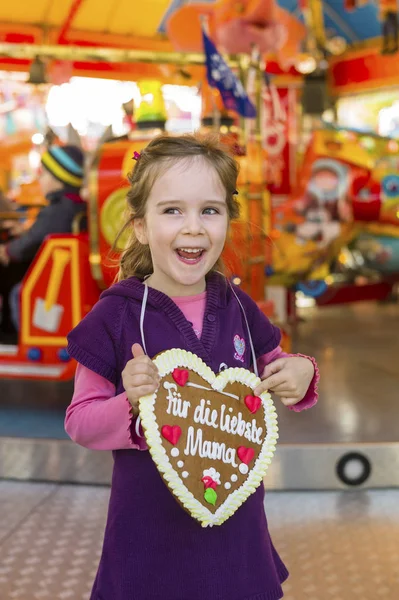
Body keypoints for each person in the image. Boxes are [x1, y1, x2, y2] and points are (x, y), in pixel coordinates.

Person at [65, 134, 319, 600]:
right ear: (140, 225)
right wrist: (132, 404)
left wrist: (300, 370)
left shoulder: (240, 306)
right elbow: (80, 421)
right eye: (172, 210)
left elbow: (277, 366)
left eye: (210, 210)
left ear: (228, 219)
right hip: (148, 541)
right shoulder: (117, 316)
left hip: (236, 534)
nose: (194, 227)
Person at [0, 144, 85, 340]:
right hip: (65, 272)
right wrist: (24, 230)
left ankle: (27, 339)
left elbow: (34, 240)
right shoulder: (72, 204)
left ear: (59, 180)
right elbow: (42, 231)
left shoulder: (58, 208)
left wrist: (8, 251)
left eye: (44, 174)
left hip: (54, 277)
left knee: (18, 294)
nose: (40, 179)